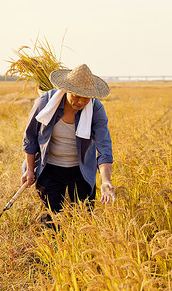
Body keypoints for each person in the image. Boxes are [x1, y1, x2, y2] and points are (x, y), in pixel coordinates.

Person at [21, 64, 115, 226]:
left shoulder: (95, 108)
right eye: (76, 96)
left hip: (81, 170)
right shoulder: (45, 103)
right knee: (51, 218)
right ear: (66, 90)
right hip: (49, 168)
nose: (80, 101)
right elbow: (30, 138)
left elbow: (104, 145)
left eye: (86, 97)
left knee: (83, 218)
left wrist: (106, 180)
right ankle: (52, 249)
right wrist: (30, 170)